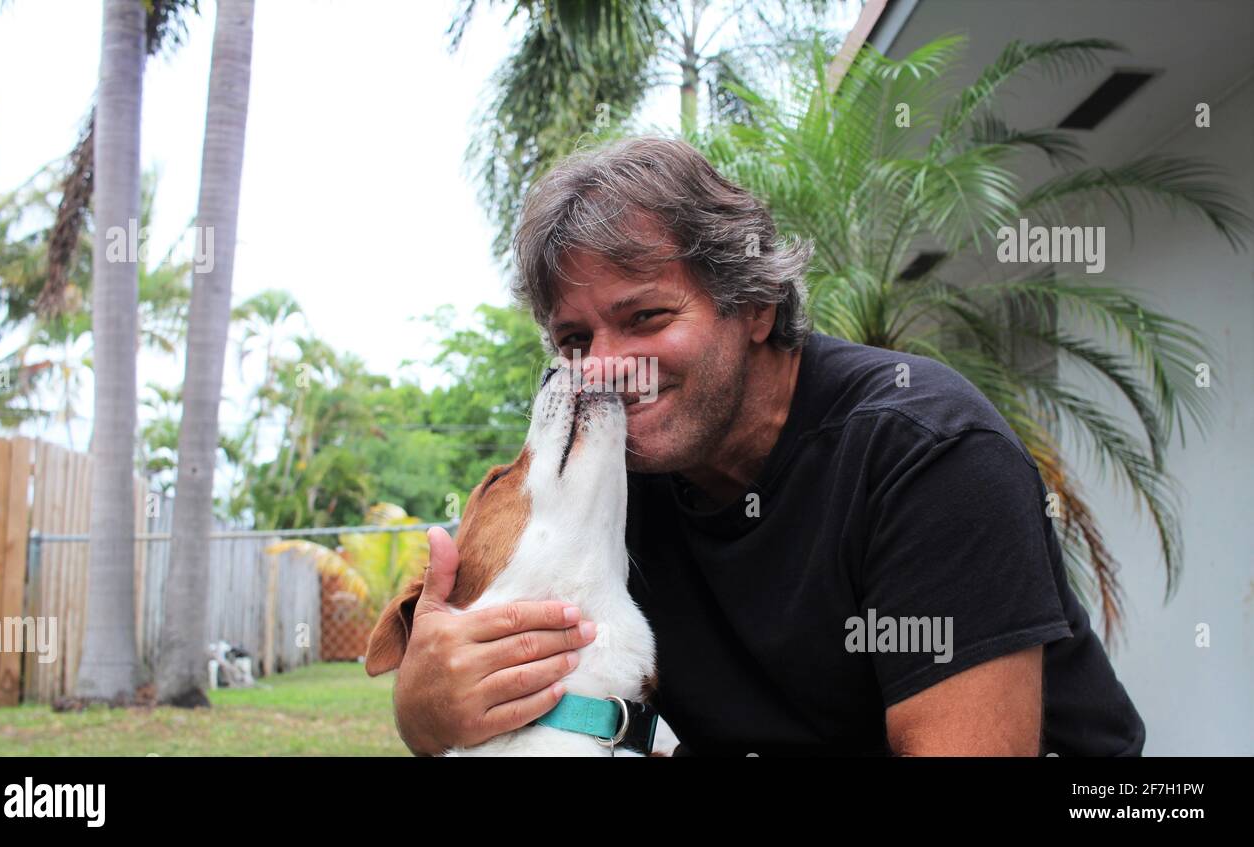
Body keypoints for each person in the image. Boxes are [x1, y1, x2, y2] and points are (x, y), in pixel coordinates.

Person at [392, 136, 1146, 756]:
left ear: (754, 305)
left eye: (647, 317)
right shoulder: (621, 474)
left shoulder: (927, 453)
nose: (607, 368)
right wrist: (423, 707)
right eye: (575, 339)